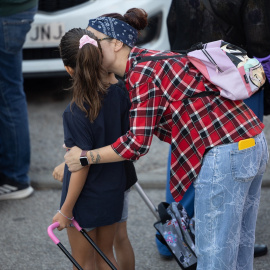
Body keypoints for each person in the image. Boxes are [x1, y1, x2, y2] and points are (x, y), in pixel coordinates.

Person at [63, 8, 269, 270]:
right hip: (250, 143)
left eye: (92, 40)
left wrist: (84, 157)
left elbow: (136, 144)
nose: (86, 46)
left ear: (116, 44)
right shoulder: (148, 62)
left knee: (215, 258)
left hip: (227, 153)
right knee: (238, 250)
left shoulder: (142, 73)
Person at [162, 0, 270, 259]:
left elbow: (173, 24)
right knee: (238, 166)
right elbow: (260, 39)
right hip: (237, 82)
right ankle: (231, 239)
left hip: (191, 78)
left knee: (185, 152)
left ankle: (172, 239)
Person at [52, 28, 134, 269]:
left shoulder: (75, 111)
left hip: (85, 199)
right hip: (113, 190)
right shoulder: (119, 93)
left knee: (85, 262)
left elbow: (80, 167)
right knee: (105, 255)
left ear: (69, 69)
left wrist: (65, 211)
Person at [0, 0, 37, 200]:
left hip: (5, 11)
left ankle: (14, 177)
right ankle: (13, 175)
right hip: (18, 10)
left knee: (8, 94)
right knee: (10, 92)